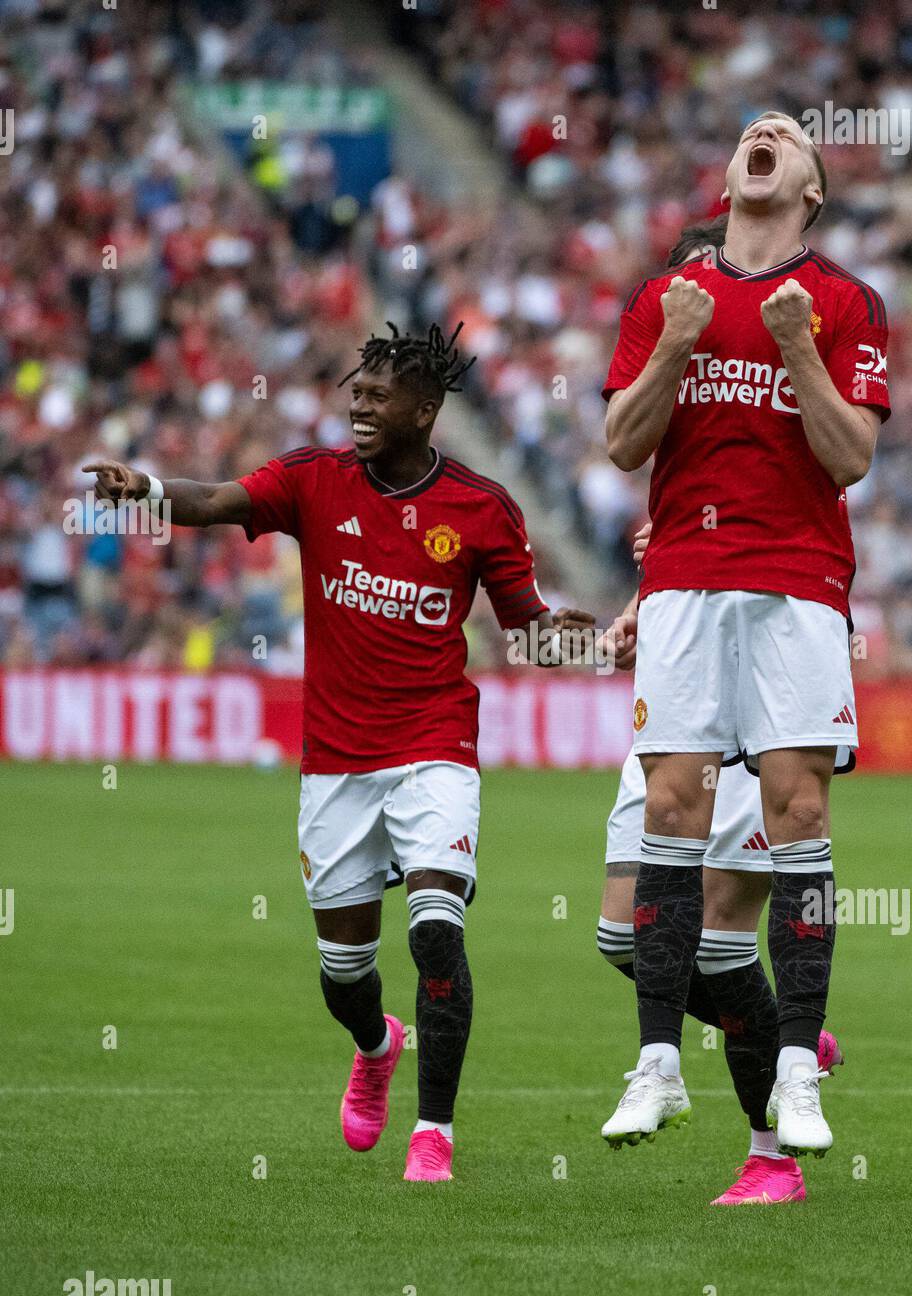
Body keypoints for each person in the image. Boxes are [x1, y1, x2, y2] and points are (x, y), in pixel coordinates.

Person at [85, 322, 595, 1184]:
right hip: (336, 765)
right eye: (353, 393)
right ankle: (374, 1044)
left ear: (425, 410)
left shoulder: (480, 509)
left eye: (375, 394)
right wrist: (144, 490)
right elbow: (215, 501)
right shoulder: (312, 481)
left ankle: (432, 1134)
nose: (356, 405)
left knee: (437, 934)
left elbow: (528, 638)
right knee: (345, 972)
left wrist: (583, 645)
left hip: (436, 746)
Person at [600, 112, 890, 1157]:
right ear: (729, 174)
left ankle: (798, 1073)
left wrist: (795, 347)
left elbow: (848, 455)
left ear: (809, 187)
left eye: (789, 135)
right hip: (681, 579)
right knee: (669, 808)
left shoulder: (845, 303)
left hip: (797, 582)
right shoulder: (663, 299)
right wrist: (678, 341)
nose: (763, 132)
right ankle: (656, 1067)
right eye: (749, 132)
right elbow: (622, 440)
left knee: (795, 805)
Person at [598, 526, 843, 1206]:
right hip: (678, 700)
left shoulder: (788, 439)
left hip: (756, 717)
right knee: (619, 937)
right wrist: (638, 605)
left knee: (720, 942)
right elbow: (677, 544)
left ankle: (770, 1162)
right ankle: (784, 1032)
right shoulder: (674, 433)